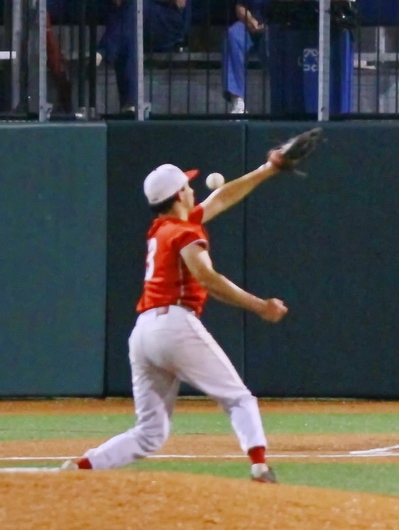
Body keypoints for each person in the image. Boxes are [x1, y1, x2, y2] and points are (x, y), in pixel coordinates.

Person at [61, 153, 297, 482]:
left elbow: (223, 196)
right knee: (239, 398)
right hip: (174, 324)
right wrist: (260, 305)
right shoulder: (183, 233)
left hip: (143, 333)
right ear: (178, 196)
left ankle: (81, 467)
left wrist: (268, 170)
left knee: (150, 432)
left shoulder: (164, 229)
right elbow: (208, 278)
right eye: (187, 186)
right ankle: (259, 465)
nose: (193, 190)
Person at [95, 0, 191, 112]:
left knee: (134, 9)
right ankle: (131, 105)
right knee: (129, 25)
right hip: (131, 20)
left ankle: (103, 51)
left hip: (168, 22)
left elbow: (180, 2)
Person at [222, 0, 268, 114]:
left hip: (275, 26)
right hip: (250, 26)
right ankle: (237, 100)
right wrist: (250, 20)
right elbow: (240, 6)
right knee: (233, 34)